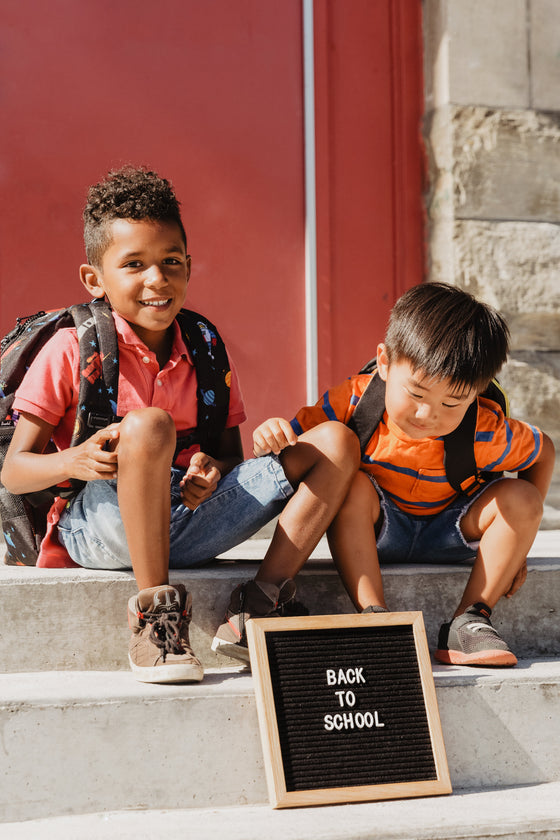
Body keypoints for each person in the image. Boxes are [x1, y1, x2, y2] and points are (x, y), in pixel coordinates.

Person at [1, 166, 360, 683]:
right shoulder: (71, 349)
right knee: (148, 426)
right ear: (94, 279)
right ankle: (156, 617)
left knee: (334, 441)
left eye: (171, 262)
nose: (157, 279)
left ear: (189, 266)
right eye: (134, 265)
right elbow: (13, 473)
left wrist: (210, 470)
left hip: (189, 520)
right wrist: (76, 459)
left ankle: (257, 604)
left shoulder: (206, 345)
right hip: (99, 526)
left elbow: (229, 457)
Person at [245, 283, 555, 667]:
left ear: (475, 393)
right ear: (385, 363)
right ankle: (376, 616)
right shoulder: (356, 402)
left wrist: (516, 547)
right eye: (417, 393)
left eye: (452, 402)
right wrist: (271, 436)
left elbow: (543, 453)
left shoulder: (485, 431)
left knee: (521, 498)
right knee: (351, 484)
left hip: (454, 526)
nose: (428, 415)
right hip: (377, 527)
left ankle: (471, 619)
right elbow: (301, 449)